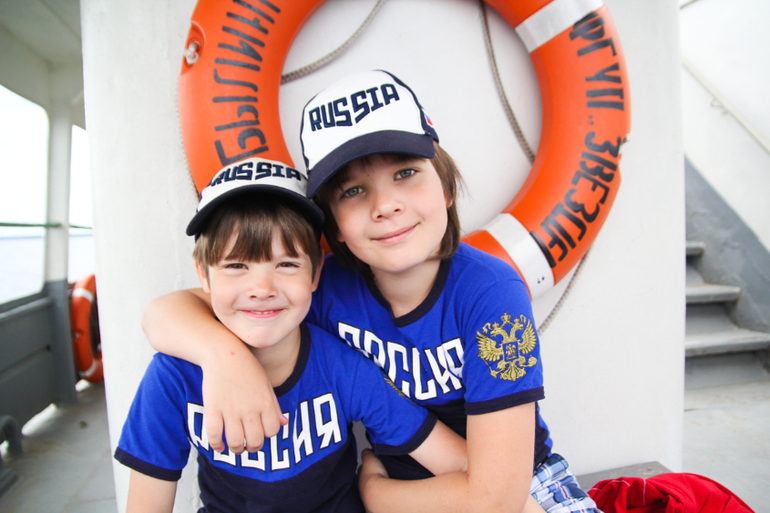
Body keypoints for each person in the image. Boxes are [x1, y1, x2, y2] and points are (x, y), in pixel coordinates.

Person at [143, 70, 598, 513]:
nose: (385, 206)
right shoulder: (319, 288)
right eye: (353, 191)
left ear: (445, 186)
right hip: (413, 479)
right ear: (334, 226)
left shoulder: (491, 293)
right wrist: (224, 358)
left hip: (518, 486)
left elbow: (497, 499)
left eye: (405, 173)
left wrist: (379, 497)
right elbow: (164, 314)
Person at [115, 157, 470, 513]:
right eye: (236, 265)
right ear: (203, 275)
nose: (261, 289)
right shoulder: (173, 377)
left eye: (286, 264)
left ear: (315, 274)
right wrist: (226, 360)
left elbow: (459, 462)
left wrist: (380, 492)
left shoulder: (342, 368)